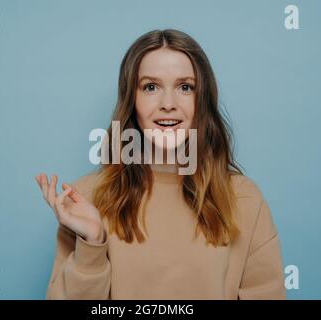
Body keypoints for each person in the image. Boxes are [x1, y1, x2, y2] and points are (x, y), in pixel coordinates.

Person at [35, 29, 286, 300]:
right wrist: (92, 243)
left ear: (202, 101)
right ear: (132, 100)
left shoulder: (245, 199)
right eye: (151, 87)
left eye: (185, 87)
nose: (168, 104)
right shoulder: (85, 199)